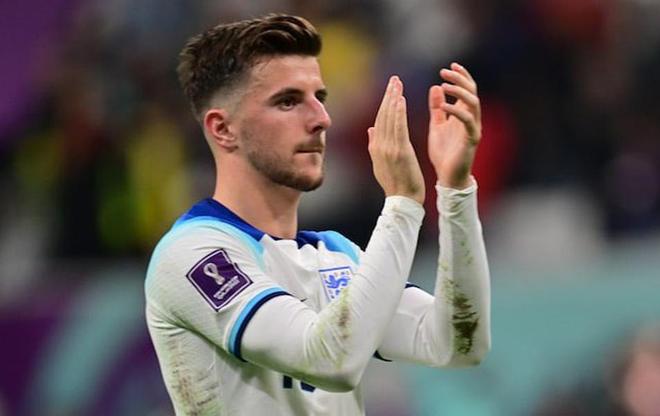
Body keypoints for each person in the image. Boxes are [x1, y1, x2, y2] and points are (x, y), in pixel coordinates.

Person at [145, 14, 490, 415]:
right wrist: (401, 204)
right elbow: (328, 360)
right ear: (223, 129)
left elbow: (457, 343)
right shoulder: (193, 254)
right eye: (288, 101)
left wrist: (455, 190)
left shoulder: (335, 256)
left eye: (320, 98)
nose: (321, 119)